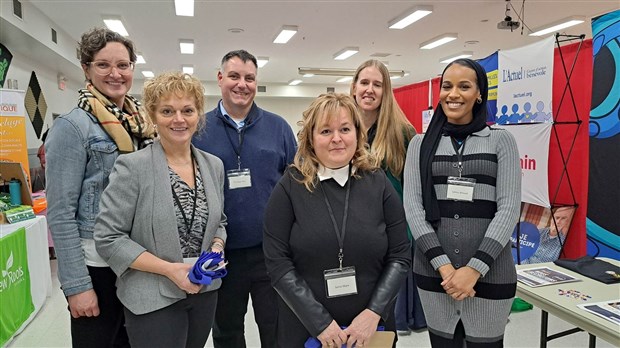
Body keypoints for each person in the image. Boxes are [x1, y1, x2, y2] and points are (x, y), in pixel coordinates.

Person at [263, 93, 411, 347]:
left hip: (371, 328)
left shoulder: (378, 182)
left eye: (345, 129)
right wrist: (319, 322)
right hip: (306, 328)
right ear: (310, 138)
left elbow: (400, 254)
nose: (337, 139)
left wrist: (373, 313)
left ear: (357, 134)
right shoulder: (291, 185)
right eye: (325, 131)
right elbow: (277, 262)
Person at [94, 71, 227, 347]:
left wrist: (217, 244)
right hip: (152, 298)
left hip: (204, 292)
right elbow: (108, 237)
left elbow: (220, 221)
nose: (179, 119)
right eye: (167, 111)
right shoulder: (132, 167)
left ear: (198, 115)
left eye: (187, 110)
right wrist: (170, 270)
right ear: (153, 116)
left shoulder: (213, 166)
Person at [45, 27, 156, 347]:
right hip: (96, 267)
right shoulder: (72, 127)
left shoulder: (141, 124)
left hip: (137, 263)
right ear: (86, 69)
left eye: (123, 65)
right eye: (104, 65)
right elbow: (61, 213)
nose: (115, 73)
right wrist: (78, 286)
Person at [403, 58, 521, 347]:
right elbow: (414, 210)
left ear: (480, 93)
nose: (453, 94)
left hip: (492, 275)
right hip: (434, 276)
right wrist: (446, 269)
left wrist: (473, 270)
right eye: (447, 86)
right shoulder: (420, 144)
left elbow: (508, 210)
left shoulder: (500, 140)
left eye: (464, 86)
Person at [192, 49, 297, 347]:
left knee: (276, 329)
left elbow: (298, 184)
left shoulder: (278, 128)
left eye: (249, 78)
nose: (242, 84)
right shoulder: (199, 129)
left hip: (272, 251)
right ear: (220, 78)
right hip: (221, 252)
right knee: (226, 331)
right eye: (235, 76)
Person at [351, 59, 424, 334]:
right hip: (353, 233)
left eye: (377, 84)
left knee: (383, 317)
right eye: (365, 82)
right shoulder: (343, 130)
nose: (370, 90)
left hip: (391, 235)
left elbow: (414, 189)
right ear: (354, 87)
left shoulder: (404, 133)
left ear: (386, 91)